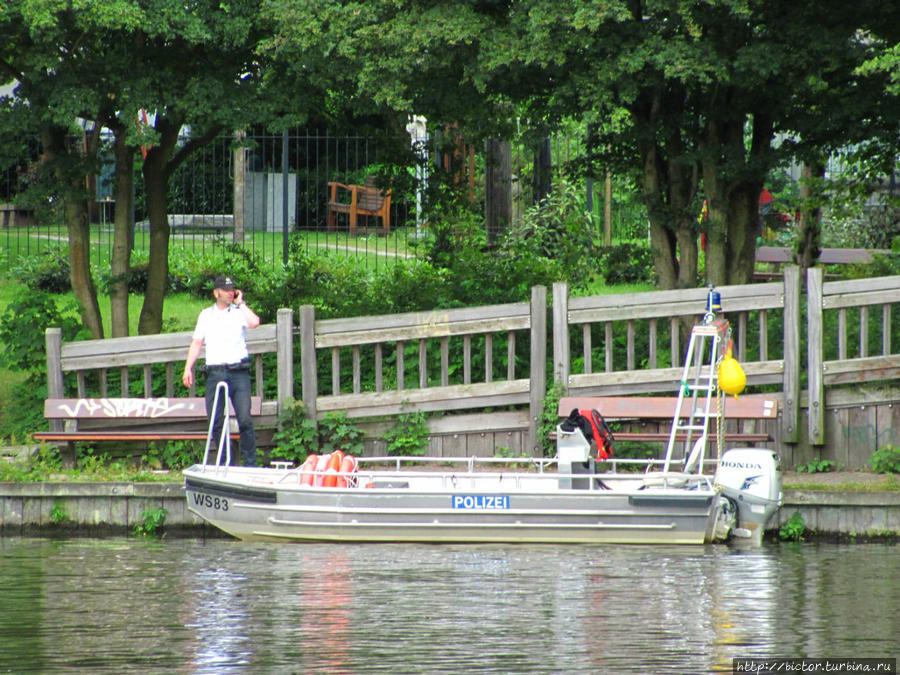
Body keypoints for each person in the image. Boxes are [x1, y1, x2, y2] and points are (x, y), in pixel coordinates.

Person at [183, 275, 261, 466]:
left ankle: (250, 464)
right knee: (216, 422)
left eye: (232, 290)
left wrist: (240, 302)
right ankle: (226, 462)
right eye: (226, 290)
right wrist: (188, 368)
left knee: (245, 420)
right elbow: (197, 342)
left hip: (238, 372)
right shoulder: (206, 315)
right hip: (215, 372)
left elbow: (254, 322)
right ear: (216, 293)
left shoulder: (239, 312)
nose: (229, 293)